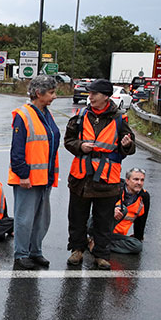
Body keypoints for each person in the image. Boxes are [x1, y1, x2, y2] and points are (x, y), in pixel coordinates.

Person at [65, 78, 136, 270]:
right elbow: (68, 140)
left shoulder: (120, 119)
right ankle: (77, 250)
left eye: (94, 93)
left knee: (103, 220)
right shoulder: (81, 115)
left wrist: (127, 145)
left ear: (106, 96)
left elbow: (130, 147)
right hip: (81, 178)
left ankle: (101, 255)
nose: (90, 97)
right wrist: (80, 146)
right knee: (77, 218)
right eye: (90, 93)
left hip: (107, 180)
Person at [9, 75, 61, 269]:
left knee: (41, 220)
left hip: (44, 177)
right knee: (24, 219)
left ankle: (35, 252)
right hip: (28, 178)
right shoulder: (23, 115)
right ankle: (21, 254)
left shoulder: (46, 113)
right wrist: (23, 174)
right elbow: (17, 150)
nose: (54, 96)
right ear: (39, 93)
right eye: (51, 92)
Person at [90, 167, 150, 255]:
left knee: (137, 246)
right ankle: (97, 241)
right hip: (98, 227)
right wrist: (111, 211)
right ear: (127, 180)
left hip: (116, 236)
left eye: (142, 180)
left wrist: (138, 238)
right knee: (123, 209)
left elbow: (141, 220)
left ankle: (97, 243)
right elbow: (97, 208)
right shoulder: (115, 188)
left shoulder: (144, 196)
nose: (139, 183)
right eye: (136, 179)